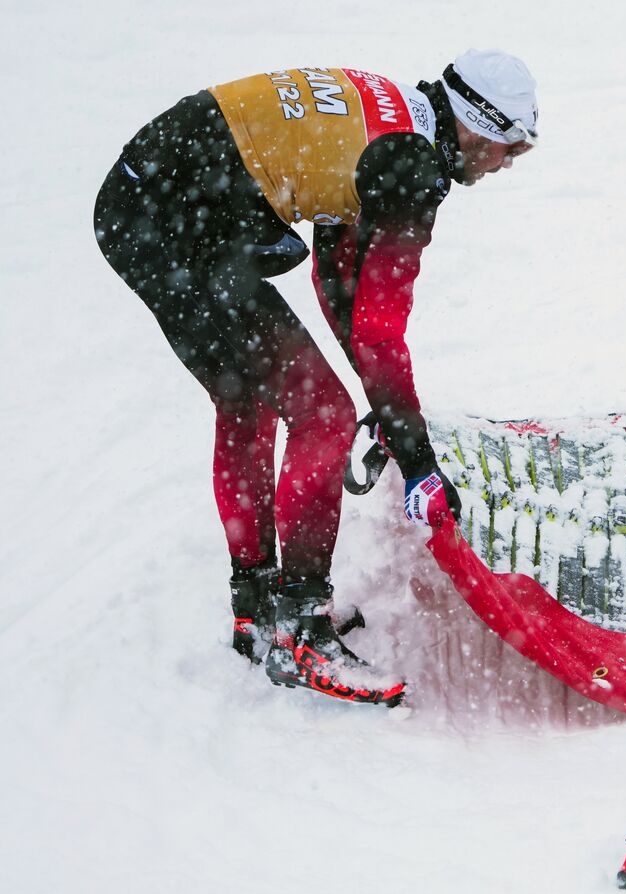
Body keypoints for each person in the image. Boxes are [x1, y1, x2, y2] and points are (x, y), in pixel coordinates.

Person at [94, 50, 540, 705]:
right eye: (509, 149)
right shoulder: (411, 169)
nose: (505, 167)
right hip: (177, 220)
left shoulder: (389, 127)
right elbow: (382, 330)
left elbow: (337, 280)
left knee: (248, 398)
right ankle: (301, 629)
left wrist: (385, 407)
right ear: (477, 125)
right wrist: (418, 462)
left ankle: (257, 608)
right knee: (320, 414)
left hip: (148, 205)